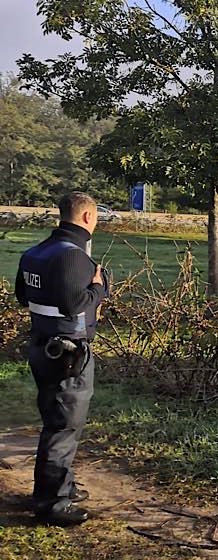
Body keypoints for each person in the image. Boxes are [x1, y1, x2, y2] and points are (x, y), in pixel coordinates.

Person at [14, 192, 110, 526]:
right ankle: (52, 503)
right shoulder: (74, 257)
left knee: (55, 419)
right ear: (87, 218)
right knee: (64, 425)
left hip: (42, 346)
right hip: (69, 354)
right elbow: (76, 304)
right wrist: (100, 287)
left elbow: (23, 296)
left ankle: (60, 485)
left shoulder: (35, 252)